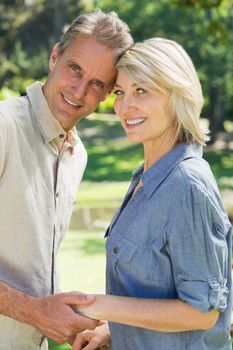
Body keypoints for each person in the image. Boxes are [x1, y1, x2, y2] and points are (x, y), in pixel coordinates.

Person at [71, 38, 232, 350]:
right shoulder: (147, 178)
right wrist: (114, 331)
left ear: (176, 96)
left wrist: (96, 305)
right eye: (120, 92)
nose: (125, 106)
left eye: (141, 90)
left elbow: (203, 312)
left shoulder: (187, 185)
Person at [0, 9, 133, 350]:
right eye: (75, 68)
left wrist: (74, 319)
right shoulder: (4, 128)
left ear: (106, 94)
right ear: (55, 56)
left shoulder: (77, 155)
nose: (79, 90)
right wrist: (33, 310)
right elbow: (33, 306)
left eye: (97, 83)